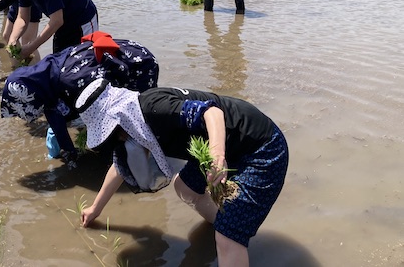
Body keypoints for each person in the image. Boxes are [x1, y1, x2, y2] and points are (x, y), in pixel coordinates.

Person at [76, 78, 288, 267]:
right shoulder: (132, 125)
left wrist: (217, 156)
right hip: (221, 146)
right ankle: (230, 224)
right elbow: (121, 167)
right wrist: (95, 208)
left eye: (111, 131)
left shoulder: (153, 107)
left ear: (119, 117)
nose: (116, 138)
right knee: (185, 187)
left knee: (227, 239)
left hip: (261, 147)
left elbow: (212, 113)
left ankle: (231, 235)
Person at [1, 32, 159, 162]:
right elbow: (58, 109)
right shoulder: (49, 73)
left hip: (137, 65)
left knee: (136, 117)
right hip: (121, 58)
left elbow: (109, 98)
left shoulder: (70, 81)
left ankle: (149, 154)